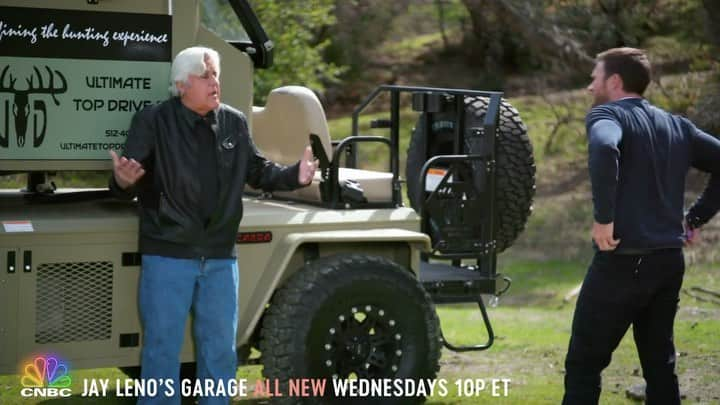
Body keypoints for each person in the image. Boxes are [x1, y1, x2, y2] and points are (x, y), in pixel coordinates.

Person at [108, 46, 317, 404]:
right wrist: (123, 181)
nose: (214, 82)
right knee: (161, 350)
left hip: (221, 257)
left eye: (216, 74)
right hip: (168, 254)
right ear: (182, 83)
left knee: (220, 351)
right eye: (205, 75)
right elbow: (128, 178)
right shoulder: (153, 120)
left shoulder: (234, 121)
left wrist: (294, 176)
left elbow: (258, 171)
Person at [562, 47, 720, 404]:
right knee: (660, 367)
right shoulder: (678, 125)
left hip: (622, 262)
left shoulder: (606, 114)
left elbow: (604, 149)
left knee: (583, 365)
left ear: (614, 81)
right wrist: (693, 221)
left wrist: (604, 219)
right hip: (667, 261)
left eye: (594, 77)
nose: (590, 87)